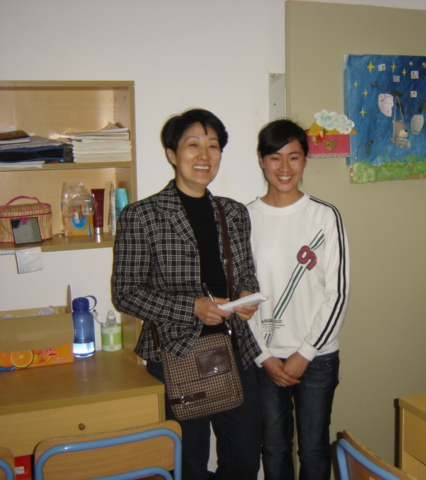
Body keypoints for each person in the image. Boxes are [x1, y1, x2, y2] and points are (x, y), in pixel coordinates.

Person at [112, 108, 262, 480]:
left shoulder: (234, 212)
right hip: (175, 352)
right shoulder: (142, 215)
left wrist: (246, 294)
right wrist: (192, 308)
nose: (204, 155)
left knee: (244, 459)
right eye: (193, 145)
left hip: (234, 349)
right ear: (172, 154)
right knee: (187, 462)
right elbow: (125, 294)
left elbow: (246, 274)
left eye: (213, 146)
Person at [247, 119, 351, 480]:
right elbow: (241, 297)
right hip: (265, 358)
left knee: (313, 449)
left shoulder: (324, 216)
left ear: (306, 160)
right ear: (261, 160)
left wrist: (305, 353)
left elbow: (337, 293)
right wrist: (263, 356)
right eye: (275, 157)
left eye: (293, 157)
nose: (285, 168)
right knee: (273, 448)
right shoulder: (244, 218)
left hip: (317, 357)